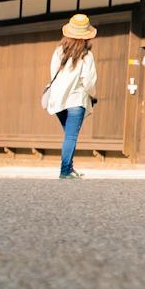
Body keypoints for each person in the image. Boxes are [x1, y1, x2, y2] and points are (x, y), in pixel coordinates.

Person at [44, 14, 98, 180]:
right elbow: (88, 81)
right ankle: (65, 170)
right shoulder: (86, 55)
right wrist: (93, 95)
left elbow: (53, 74)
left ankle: (70, 168)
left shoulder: (58, 52)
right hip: (76, 100)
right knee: (71, 136)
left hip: (58, 100)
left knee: (69, 135)